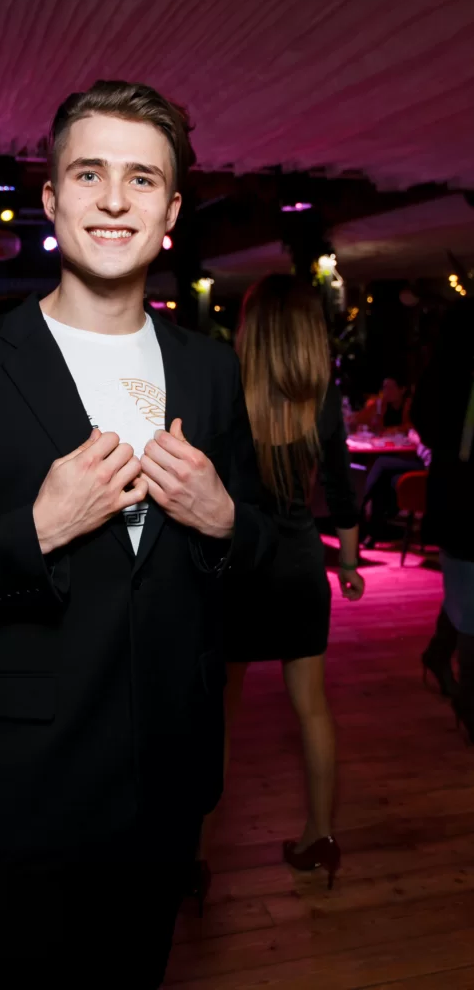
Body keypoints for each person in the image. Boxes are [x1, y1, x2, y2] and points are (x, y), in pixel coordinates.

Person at [0, 79, 274, 989]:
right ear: (52, 201)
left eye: (142, 179)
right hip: (26, 784)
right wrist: (33, 531)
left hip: (169, 777)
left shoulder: (211, 372)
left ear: (170, 214)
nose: (113, 199)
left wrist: (224, 522)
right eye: (89, 174)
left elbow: (271, 562)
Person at [199, 275, 365, 899]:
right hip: (299, 568)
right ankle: (320, 837)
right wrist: (349, 562)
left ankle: (195, 856)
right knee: (313, 709)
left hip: (238, 565)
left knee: (219, 718)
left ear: (253, 329)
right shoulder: (321, 397)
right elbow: (341, 489)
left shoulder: (227, 388)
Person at [412, 305, 474, 733]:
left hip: (454, 493)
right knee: (468, 598)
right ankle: (470, 706)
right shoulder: (450, 375)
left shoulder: (440, 372)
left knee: (466, 592)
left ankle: (438, 654)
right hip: (462, 497)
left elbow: (426, 425)